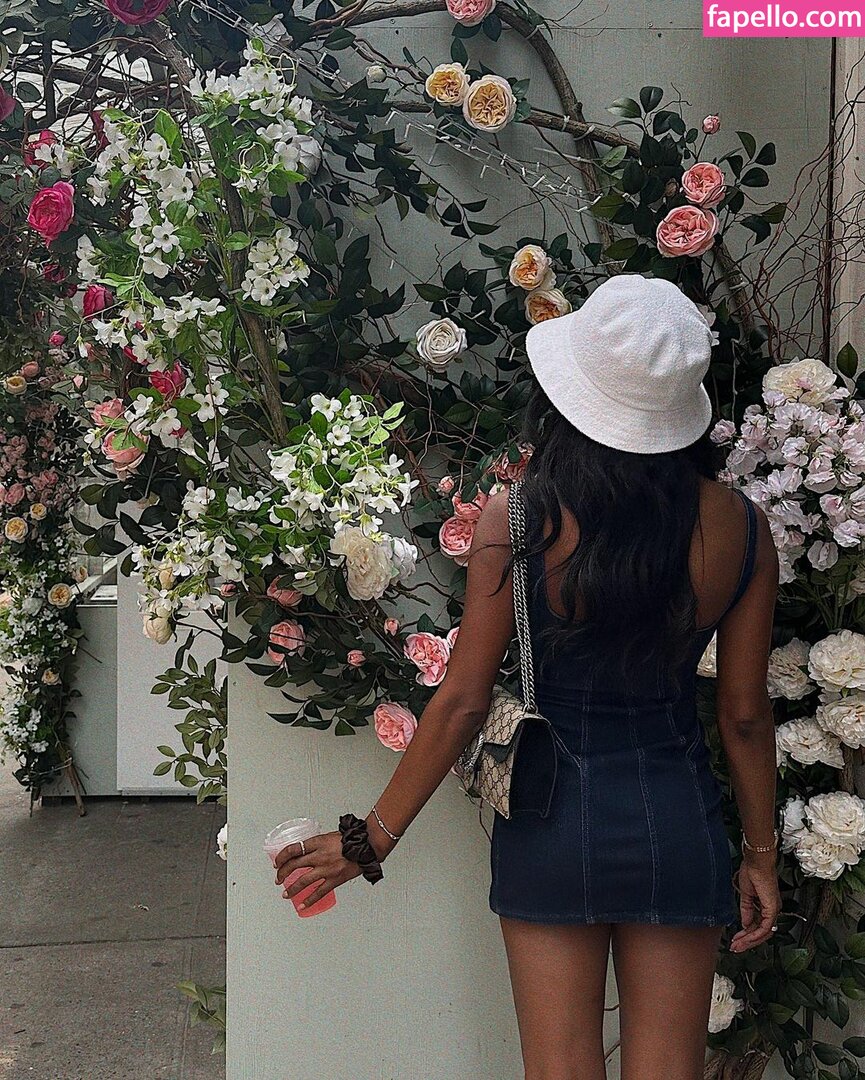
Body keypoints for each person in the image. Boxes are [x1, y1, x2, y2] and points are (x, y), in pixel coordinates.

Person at [274, 274, 781, 1080]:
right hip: (674, 818)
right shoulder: (742, 528)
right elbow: (744, 716)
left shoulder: (517, 519)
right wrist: (759, 853)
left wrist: (368, 841)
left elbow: (462, 702)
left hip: (550, 822)